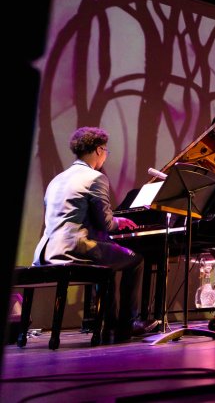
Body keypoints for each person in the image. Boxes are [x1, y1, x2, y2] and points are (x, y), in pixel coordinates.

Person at [33, 126, 156, 342]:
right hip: (75, 247)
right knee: (135, 260)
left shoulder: (58, 179)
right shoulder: (95, 178)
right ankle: (127, 324)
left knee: (105, 261)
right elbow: (107, 224)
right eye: (106, 151)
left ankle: (109, 322)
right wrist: (121, 221)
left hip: (46, 249)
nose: (105, 156)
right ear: (99, 150)